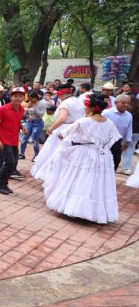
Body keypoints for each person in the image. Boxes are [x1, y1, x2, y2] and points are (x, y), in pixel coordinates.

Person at [43, 95, 121, 224]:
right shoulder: (109, 122)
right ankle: (94, 211)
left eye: (86, 106)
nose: (84, 108)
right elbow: (113, 138)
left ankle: (75, 208)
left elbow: (63, 134)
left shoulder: (83, 121)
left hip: (83, 153)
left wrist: (72, 139)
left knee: (79, 178)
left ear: (91, 108)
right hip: (102, 155)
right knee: (96, 182)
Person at [31, 83, 86, 181]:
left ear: (62, 93)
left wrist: (50, 129)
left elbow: (62, 119)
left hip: (64, 129)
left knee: (55, 153)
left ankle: (52, 176)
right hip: (75, 129)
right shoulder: (78, 101)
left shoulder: (65, 103)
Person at [0, 87, 26, 195]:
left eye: (20, 96)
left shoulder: (21, 109)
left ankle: (3, 183)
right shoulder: (3, 109)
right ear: (11, 97)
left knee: (14, 163)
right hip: (3, 140)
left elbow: (16, 120)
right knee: (10, 163)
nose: (17, 98)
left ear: (23, 97)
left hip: (14, 140)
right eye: (15, 96)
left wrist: (22, 126)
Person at [104, 94, 133, 173]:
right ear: (116, 102)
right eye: (123, 103)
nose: (126, 105)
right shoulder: (107, 113)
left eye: (128, 103)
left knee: (116, 161)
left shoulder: (129, 115)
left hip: (118, 141)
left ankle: (110, 179)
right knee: (104, 161)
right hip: (105, 141)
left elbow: (129, 129)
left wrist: (128, 141)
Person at [19, 90, 46, 160]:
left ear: (36, 97)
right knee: (24, 138)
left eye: (32, 98)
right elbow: (24, 115)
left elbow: (41, 114)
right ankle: (21, 153)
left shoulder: (42, 103)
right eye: (29, 99)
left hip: (38, 122)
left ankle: (36, 155)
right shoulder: (29, 103)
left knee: (34, 139)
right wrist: (26, 109)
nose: (30, 100)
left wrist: (35, 106)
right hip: (29, 122)